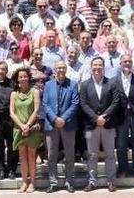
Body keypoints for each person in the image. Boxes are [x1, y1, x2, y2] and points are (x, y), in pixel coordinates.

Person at [79, 57, 119, 192]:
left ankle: (111, 181)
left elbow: (115, 102)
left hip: (108, 124)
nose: (97, 67)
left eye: (100, 65)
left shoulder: (112, 83)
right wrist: (96, 118)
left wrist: (104, 117)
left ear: (104, 67)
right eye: (95, 65)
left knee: (110, 154)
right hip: (92, 124)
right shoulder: (85, 85)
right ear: (91, 66)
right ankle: (92, 181)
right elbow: (83, 104)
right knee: (92, 155)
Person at [42, 61, 78, 193]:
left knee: (69, 154)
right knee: (51, 155)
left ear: (66, 69)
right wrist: (55, 118)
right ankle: (53, 182)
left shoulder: (73, 84)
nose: (61, 70)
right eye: (58, 68)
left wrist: (63, 118)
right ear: (55, 70)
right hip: (51, 124)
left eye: (63, 67)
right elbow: (45, 104)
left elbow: (75, 104)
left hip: (68, 124)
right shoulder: (48, 85)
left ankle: (69, 182)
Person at [10, 67, 42, 193]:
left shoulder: (35, 91)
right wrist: (22, 126)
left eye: (25, 76)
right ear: (17, 79)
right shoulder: (14, 94)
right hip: (19, 129)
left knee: (32, 155)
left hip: (32, 128)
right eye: (20, 77)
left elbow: (36, 109)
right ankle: (24, 182)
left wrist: (28, 125)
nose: (23, 78)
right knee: (22, 156)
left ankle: (33, 182)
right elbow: (12, 112)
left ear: (28, 78)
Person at [114, 54, 134, 178]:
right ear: (120, 64)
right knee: (121, 144)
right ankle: (122, 169)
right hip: (121, 115)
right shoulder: (114, 80)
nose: (127, 63)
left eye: (129, 61)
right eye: (125, 61)